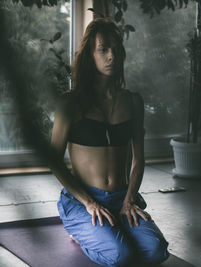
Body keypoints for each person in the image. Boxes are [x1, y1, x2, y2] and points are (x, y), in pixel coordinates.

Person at [50, 18, 169, 267]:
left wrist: (129, 199)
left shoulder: (133, 102)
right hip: (85, 200)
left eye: (116, 48)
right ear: (90, 56)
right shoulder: (70, 104)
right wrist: (89, 202)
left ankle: (116, 226)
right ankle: (81, 232)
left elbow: (138, 159)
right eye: (103, 49)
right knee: (120, 256)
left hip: (123, 197)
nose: (111, 55)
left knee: (157, 251)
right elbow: (55, 163)